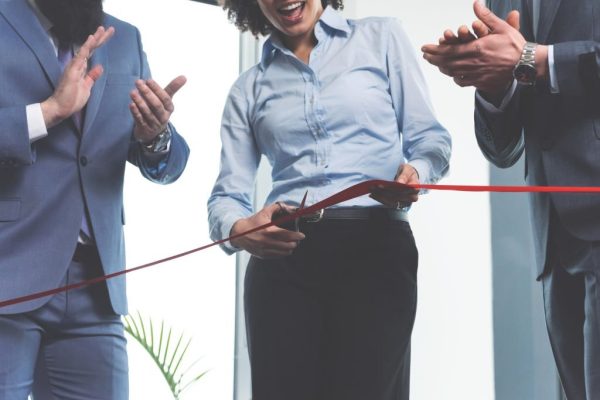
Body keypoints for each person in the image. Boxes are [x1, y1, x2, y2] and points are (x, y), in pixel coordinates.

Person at [208, 1, 451, 399]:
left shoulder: (382, 37)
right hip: (284, 263)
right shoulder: (247, 89)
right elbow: (226, 197)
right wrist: (238, 230)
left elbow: (431, 142)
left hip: (376, 254)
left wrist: (415, 175)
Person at [0, 0, 190, 398]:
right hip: (8, 277)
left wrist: (154, 136)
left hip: (96, 287)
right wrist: (48, 112)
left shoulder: (125, 39)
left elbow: (165, 164)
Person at [422, 1, 600, 398]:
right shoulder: (500, 5)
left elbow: (530, 61)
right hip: (554, 236)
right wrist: (493, 85)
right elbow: (502, 150)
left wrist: (532, 59)